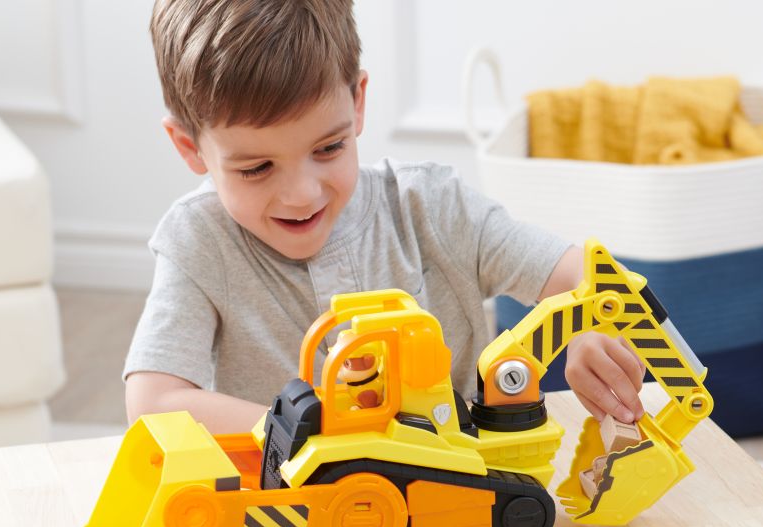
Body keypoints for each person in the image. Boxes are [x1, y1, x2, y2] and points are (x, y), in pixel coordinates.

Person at [124, 0, 646, 434]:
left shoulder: (432, 206)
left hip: (459, 487)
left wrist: (590, 329)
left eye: (328, 148)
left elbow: (591, 278)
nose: (302, 195)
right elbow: (152, 403)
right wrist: (307, 434)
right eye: (256, 168)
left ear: (357, 102)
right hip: (300, 511)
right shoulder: (199, 240)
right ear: (189, 147)